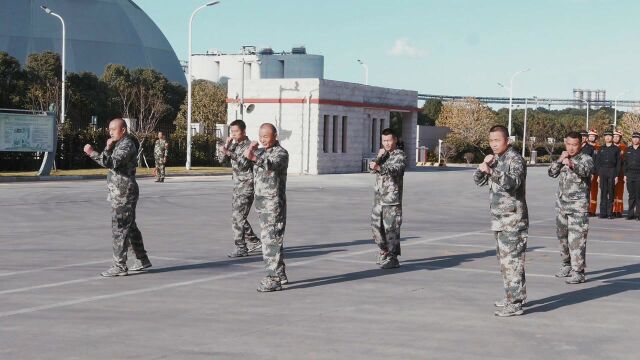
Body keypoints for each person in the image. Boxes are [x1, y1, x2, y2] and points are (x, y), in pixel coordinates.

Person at [83, 118, 151, 277]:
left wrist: (91, 152)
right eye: (109, 129)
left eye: (113, 129)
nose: (110, 132)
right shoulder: (119, 144)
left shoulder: (126, 144)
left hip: (124, 193)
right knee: (130, 226)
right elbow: (109, 160)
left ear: (123, 130)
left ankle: (119, 265)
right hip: (120, 192)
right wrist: (107, 147)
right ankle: (142, 259)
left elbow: (111, 162)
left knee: (119, 228)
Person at [474, 125, 529, 317]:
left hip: (513, 219)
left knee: (512, 261)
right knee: (506, 262)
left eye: (497, 140)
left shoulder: (515, 159)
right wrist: (484, 167)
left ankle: (515, 303)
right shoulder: (496, 159)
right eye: (491, 141)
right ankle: (512, 296)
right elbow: (478, 180)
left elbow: (514, 183)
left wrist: (492, 171)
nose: (494, 144)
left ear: (507, 140)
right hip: (499, 219)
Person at [242, 123, 289, 292]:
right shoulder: (260, 151)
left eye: (266, 137)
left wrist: (254, 157)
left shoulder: (281, 153)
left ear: (275, 136)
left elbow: (271, 165)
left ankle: (273, 278)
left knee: (270, 241)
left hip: (274, 205)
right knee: (272, 240)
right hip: (262, 204)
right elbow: (242, 165)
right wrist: (250, 150)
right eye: (261, 136)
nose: (263, 140)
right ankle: (280, 274)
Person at [548, 131, 594, 284]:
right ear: (565, 143)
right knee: (562, 238)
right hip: (562, 206)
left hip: (578, 208)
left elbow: (586, 170)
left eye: (575, 145)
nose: (571, 148)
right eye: (569, 144)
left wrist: (572, 164)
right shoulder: (564, 158)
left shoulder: (586, 158)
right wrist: (561, 160)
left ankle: (579, 272)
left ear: (581, 144)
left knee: (577, 240)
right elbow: (551, 172)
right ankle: (566, 265)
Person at [217, 120, 261, 257]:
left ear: (244, 131)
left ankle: (241, 247)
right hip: (237, 185)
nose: (234, 134)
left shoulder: (250, 146)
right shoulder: (234, 146)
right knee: (238, 216)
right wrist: (227, 147)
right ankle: (253, 241)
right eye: (232, 132)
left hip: (247, 185)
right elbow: (221, 161)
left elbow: (243, 164)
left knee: (238, 216)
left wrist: (229, 152)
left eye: (236, 131)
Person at [369, 128, 407, 269]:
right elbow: (372, 168)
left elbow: (396, 170)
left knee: (391, 230)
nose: (387, 143)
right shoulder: (383, 155)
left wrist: (380, 167)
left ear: (395, 140)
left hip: (392, 200)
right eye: (384, 140)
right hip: (378, 199)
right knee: (376, 227)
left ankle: (393, 257)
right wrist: (379, 157)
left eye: (389, 140)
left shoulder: (400, 155)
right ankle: (384, 250)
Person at [595, 130, 621, 219]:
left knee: (611, 192)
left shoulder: (616, 149)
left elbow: (618, 163)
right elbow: (597, 162)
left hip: (612, 171)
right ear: (604, 138)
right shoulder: (601, 148)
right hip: (602, 171)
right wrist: (598, 175)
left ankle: (610, 213)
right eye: (606, 136)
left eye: (610, 136)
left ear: (612, 137)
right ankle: (603, 213)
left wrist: (616, 175)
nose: (608, 137)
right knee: (603, 192)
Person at [624, 132, 640, 220]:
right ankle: (630, 214)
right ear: (632, 139)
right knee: (631, 195)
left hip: (639, 175)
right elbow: (625, 163)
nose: (635, 139)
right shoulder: (628, 149)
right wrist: (625, 175)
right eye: (634, 138)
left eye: (637, 138)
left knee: (638, 196)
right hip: (630, 174)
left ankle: (638, 215)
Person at [585, 129, 600, 216]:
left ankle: (592, 210)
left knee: (594, 192)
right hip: (586, 172)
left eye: (593, 136)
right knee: (585, 192)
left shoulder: (599, 147)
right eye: (590, 135)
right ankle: (585, 209)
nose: (591, 137)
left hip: (595, 172)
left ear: (596, 137)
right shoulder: (584, 147)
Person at [613, 130, 627, 217]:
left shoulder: (624, 147)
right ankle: (612, 209)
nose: (615, 138)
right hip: (611, 171)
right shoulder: (609, 146)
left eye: (617, 136)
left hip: (621, 172)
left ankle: (619, 210)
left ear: (620, 138)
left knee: (619, 192)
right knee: (611, 192)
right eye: (614, 136)